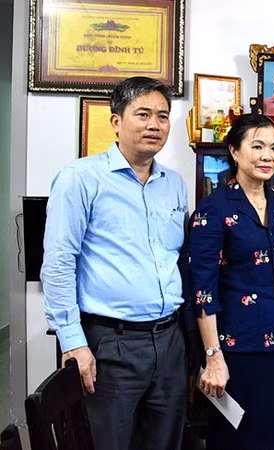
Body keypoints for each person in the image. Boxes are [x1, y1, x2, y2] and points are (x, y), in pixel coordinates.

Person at [40, 76, 188, 450]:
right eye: (143, 114)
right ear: (116, 121)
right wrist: (73, 343)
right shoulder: (80, 179)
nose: (155, 125)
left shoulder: (175, 184)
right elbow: (58, 264)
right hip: (110, 344)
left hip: (169, 342)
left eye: (163, 116)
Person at [188, 113, 274, 449]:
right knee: (239, 440)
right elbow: (202, 290)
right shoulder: (214, 208)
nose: (267, 155)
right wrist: (213, 357)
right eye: (257, 146)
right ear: (235, 152)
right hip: (236, 351)